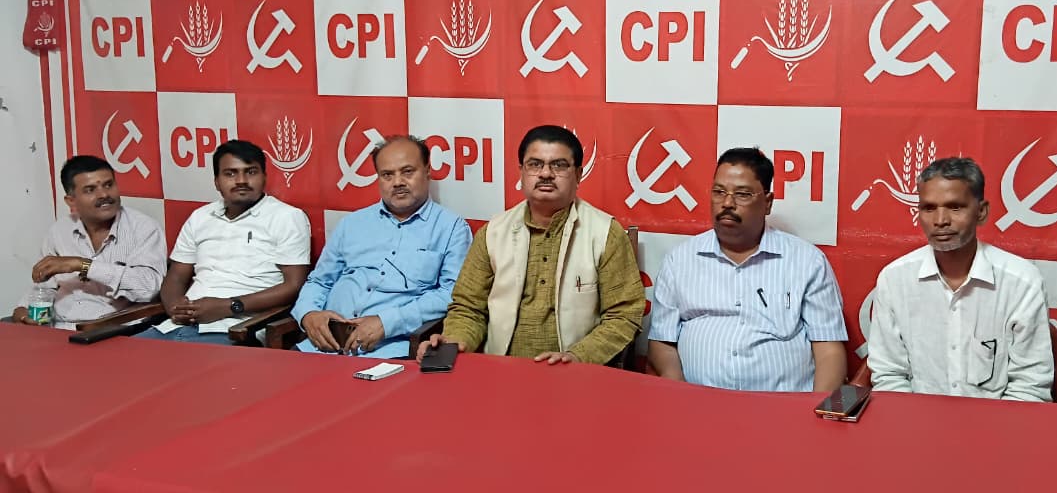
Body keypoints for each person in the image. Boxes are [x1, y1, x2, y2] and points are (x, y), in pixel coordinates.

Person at [418, 125, 644, 366]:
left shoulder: (605, 233)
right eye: (535, 164)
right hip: (501, 370)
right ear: (521, 172)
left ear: (578, 175)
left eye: (559, 165)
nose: (546, 173)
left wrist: (578, 356)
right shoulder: (494, 232)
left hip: (574, 373)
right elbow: (468, 308)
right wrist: (454, 341)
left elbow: (624, 314)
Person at [647, 148, 848, 392]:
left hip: (784, 408)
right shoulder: (679, 260)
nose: (727, 203)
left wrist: (814, 410)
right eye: (719, 192)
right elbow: (662, 341)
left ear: (767, 203)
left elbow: (829, 350)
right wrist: (678, 391)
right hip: (698, 404)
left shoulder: (807, 262)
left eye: (742, 194)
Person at [867, 156, 1052, 402]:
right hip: (916, 419)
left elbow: (1029, 386)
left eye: (955, 207)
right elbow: (889, 375)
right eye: (929, 208)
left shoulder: (1021, 282)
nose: (940, 220)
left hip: (997, 421)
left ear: (981, 212)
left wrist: (991, 427)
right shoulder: (894, 279)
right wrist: (914, 423)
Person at [292, 136, 471, 358]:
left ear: (427, 171)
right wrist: (308, 314)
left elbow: (450, 295)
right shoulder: (352, 223)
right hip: (321, 347)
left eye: (407, 172)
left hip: (388, 350)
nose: (398, 182)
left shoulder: (451, 228)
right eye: (387, 175)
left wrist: (387, 323)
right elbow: (319, 281)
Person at [137, 140, 310, 345]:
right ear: (217, 181)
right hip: (175, 327)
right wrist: (176, 308)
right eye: (230, 173)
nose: (241, 180)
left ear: (264, 177)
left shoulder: (287, 217)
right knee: (119, 360)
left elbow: (294, 285)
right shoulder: (200, 217)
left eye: (251, 172)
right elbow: (176, 275)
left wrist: (229, 306)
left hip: (237, 330)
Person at [10, 156, 165, 329]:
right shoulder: (59, 230)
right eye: (90, 190)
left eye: (108, 185)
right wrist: (23, 309)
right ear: (71, 201)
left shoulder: (143, 228)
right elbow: (45, 287)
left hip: (111, 330)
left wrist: (83, 265)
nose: (104, 194)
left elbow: (148, 289)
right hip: (56, 327)